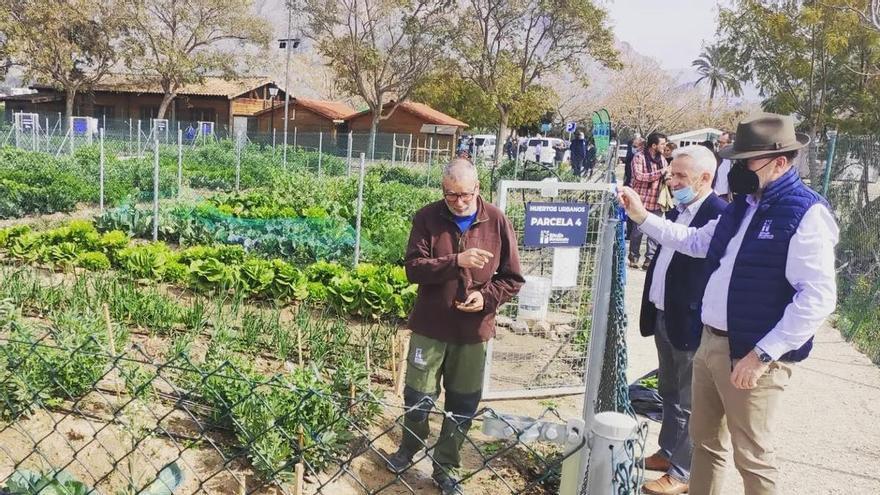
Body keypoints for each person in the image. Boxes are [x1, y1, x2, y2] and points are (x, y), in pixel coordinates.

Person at [618, 113, 838, 495]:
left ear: (780, 162)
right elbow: (694, 242)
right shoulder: (741, 206)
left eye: (746, 161)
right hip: (712, 343)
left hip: (753, 355)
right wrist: (641, 215)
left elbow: (818, 297)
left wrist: (762, 355)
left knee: (752, 457)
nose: (736, 169)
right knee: (705, 445)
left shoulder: (805, 213)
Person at [386, 158, 525, 495]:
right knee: (418, 395)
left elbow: (512, 278)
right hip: (431, 325)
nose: (460, 201)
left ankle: (446, 466)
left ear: (478, 189)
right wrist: (455, 262)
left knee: (461, 404)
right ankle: (410, 447)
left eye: (466, 194)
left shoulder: (496, 220)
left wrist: (486, 299)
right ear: (443, 191)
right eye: (452, 195)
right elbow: (414, 269)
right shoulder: (427, 218)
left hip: (472, 331)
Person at [638, 145, 728, 495]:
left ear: (705, 178)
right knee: (669, 392)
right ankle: (668, 450)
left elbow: (695, 252)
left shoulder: (718, 214)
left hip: (690, 322)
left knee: (692, 401)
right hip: (665, 314)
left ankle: (682, 472)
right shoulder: (680, 210)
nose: (672, 182)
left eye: (680, 177)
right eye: (671, 175)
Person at [628, 132, 668, 270]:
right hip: (641, 199)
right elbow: (639, 177)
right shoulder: (639, 157)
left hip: (656, 200)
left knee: (654, 232)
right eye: (662, 144)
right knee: (637, 232)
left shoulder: (662, 159)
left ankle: (649, 260)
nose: (664, 146)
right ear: (654, 145)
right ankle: (633, 257)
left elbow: (665, 175)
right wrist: (660, 173)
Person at [713, 132, 734, 201]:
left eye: (722, 142)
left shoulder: (736, 162)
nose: (719, 145)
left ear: (731, 143)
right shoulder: (715, 158)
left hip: (726, 198)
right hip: (713, 196)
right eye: (718, 142)